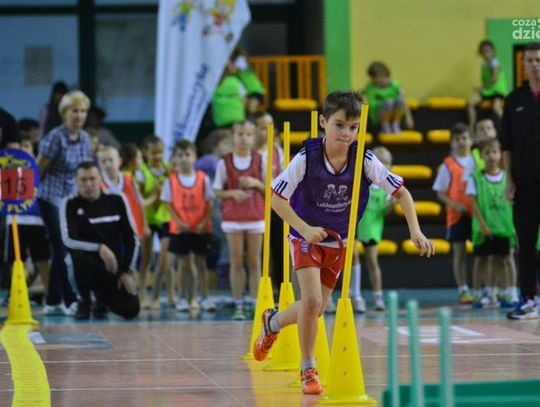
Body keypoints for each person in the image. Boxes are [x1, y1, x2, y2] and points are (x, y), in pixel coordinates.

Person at [254, 90, 434, 395]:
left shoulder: (364, 159)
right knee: (312, 301)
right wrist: (304, 229)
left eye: (353, 127)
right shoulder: (307, 158)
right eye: (339, 125)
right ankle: (308, 367)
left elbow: (402, 193)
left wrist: (415, 232)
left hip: (339, 242)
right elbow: (276, 199)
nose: (346, 133)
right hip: (305, 236)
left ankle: (272, 323)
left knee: (315, 309)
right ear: (323, 122)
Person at [36, 90, 93, 316]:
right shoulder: (55, 137)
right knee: (61, 246)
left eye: (82, 111)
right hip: (50, 196)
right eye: (74, 111)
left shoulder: (86, 138)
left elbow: (84, 171)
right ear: (64, 114)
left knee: (65, 247)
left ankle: (52, 301)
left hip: (70, 198)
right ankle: (69, 299)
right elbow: (39, 167)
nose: (79, 116)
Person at [60, 161, 139, 320]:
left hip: (112, 266)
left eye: (92, 179)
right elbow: (68, 240)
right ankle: (84, 299)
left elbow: (132, 238)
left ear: (100, 179)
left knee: (131, 309)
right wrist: (99, 248)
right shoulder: (69, 203)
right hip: (84, 264)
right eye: (83, 180)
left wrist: (126, 271)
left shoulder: (117, 200)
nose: (88, 184)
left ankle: (102, 300)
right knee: (71, 258)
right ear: (76, 181)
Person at [501, 42, 540, 320]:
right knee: (525, 243)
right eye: (531, 60)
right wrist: (509, 180)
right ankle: (527, 298)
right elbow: (507, 144)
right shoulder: (514, 100)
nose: (536, 64)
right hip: (525, 183)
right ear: (523, 64)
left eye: (539, 59)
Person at [213, 120, 266, 321]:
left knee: (254, 262)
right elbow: (217, 191)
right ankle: (238, 304)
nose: (244, 138)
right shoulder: (224, 162)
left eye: (248, 134)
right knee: (236, 262)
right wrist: (233, 193)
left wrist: (255, 183)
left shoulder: (260, 160)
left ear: (253, 138)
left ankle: (255, 302)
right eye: (240, 134)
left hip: (255, 216)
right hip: (233, 218)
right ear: (232, 137)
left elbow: (269, 188)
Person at [161, 140, 216, 311]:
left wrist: (204, 222)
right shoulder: (171, 180)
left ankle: (204, 297)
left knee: (201, 264)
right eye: (180, 155)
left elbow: (210, 202)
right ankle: (182, 298)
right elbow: (168, 204)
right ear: (175, 158)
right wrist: (179, 222)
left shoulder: (203, 178)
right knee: (183, 264)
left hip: (200, 228)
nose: (184, 159)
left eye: (187, 155)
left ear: (194, 157)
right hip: (180, 229)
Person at [467, 139, 518, 308]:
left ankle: (510, 292)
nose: (491, 156)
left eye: (495, 152)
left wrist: (514, 225)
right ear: (481, 156)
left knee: (507, 260)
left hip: (505, 227)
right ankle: (486, 293)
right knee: (485, 260)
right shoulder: (476, 178)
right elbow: (473, 203)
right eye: (487, 152)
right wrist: (482, 224)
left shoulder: (508, 178)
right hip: (485, 228)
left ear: (501, 155)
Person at [4, 133, 51, 303]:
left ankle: (49, 295)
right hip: (15, 220)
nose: (23, 150)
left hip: (37, 220)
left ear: (32, 150)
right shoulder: (6, 170)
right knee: (16, 260)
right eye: (20, 147)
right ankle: (17, 294)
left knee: (43, 258)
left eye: (27, 146)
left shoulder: (39, 170)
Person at [433, 123, 475, 304]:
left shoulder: (478, 160)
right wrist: (455, 205)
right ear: (451, 143)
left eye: (464, 138)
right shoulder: (447, 165)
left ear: (471, 140)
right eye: (457, 139)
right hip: (457, 216)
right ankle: (463, 288)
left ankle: (483, 288)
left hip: (478, 214)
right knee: (459, 253)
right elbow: (440, 192)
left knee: (483, 254)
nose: (461, 142)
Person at [350, 146, 394, 312]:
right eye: (380, 161)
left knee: (372, 262)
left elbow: (387, 210)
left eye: (386, 162)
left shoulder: (386, 188)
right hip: (355, 224)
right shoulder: (362, 182)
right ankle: (354, 295)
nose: (383, 165)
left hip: (372, 228)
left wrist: (391, 204)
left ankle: (378, 297)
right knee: (352, 257)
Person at [135, 135, 172, 309]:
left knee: (166, 259)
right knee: (146, 259)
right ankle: (142, 295)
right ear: (145, 153)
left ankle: (168, 296)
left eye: (160, 152)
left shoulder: (168, 169)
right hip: (148, 220)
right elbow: (139, 200)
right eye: (153, 153)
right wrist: (155, 195)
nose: (157, 156)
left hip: (164, 218)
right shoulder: (141, 173)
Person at [254, 112, 285, 295]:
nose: (268, 131)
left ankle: (281, 290)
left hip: (275, 207)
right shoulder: (250, 153)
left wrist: (264, 187)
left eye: (271, 127)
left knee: (279, 249)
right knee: (259, 252)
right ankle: (261, 291)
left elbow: (282, 178)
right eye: (263, 128)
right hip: (256, 208)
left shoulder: (277, 151)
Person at [97, 145, 149, 242]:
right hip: (112, 231)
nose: (107, 164)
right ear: (99, 165)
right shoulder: (98, 184)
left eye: (110, 160)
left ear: (119, 161)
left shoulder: (130, 179)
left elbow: (140, 203)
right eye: (103, 161)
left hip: (133, 227)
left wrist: (145, 225)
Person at [363, 62, 414, 134]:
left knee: (400, 100)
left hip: (394, 115)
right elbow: (371, 105)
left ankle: (395, 124)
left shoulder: (395, 84)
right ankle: (385, 125)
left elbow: (404, 102)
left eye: (376, 78)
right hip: (379, 116)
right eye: (372, 79)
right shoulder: (370, 87)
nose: (374, 81)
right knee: (388, 102)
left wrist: (408, 117)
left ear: (384, 75)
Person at [468, 40, 508, 127]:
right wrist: (483, 88)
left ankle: (508, 126)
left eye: (488, 50)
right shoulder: (484, 64)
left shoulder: (494, 62)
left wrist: (481, 87)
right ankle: (471, 126)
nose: (486, 53)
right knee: (471, 103)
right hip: (488, 91)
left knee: (496, 108)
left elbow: (494, 79)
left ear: (492, 51)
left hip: (497, 90)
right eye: (484, 51)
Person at [211, 62, 246, 128]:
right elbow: (244, 99)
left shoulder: (212, 83)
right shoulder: (236, 81)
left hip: (220, 122)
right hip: (238, 119)